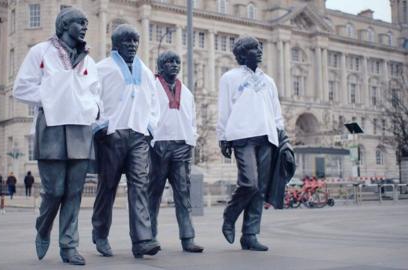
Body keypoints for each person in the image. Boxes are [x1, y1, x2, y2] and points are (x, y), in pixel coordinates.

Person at [13, 7, 100, 265]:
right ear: (63, 24)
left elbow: (95, 92)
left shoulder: (89, 60)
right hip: (51, 126)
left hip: (80, 129)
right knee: (54, 191)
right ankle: (43, 227)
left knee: (74, 192)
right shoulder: (40, 52)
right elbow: (21, 87)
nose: (85, 27)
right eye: (79, 22)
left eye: (86, 22)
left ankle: (68, 246)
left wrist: (91, 108)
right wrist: (52, 99)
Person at [92, 24, 160, 259]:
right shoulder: (102, 68)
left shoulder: (147, 72)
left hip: (138, 136)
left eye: (135, 41)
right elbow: (92, 98)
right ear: (116, 44)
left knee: (140, 186)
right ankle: (100, 233)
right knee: (107, 187)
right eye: (127, 41)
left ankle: (142, 240)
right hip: (112, 135)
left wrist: (150, 127)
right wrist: (100, 124)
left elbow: (154, 103)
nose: (132, 45)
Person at [216, 36, 285, 251]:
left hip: (267, 137)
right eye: (255, 48)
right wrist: (222, 137)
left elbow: (276, 111)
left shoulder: (268, 80)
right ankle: (230, 215)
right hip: (242, 136)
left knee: (260, 189)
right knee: (249, 183)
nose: (260, 51)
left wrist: (282, 135)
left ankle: (250, 235)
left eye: (260, 47)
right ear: (243, 54)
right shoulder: (230, 77)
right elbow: (224, 109)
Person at [148, 51, 203, 253]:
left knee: (183, 195)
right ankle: (149, 236)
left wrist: (191, 140)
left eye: (177, 61)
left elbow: (192, 119)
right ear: (160, 66)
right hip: (159, 146)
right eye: (169, 62)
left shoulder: (186, 91)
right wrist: (151, 140)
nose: (174, 65)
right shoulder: (152, 87)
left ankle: (188, 238)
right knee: (153, 195)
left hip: (181, 146)